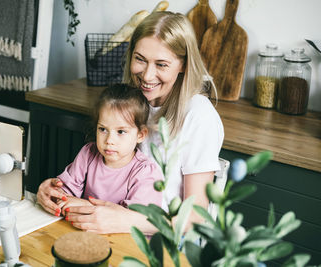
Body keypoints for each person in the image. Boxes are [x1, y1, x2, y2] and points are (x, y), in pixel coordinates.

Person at [37, 11, 224, 234]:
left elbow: (194, 219)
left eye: (162, 64)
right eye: (140, 59)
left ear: (183, 65)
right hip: (103, 229)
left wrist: (126, 221)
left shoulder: (199, 115)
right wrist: (49, 190)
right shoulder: (130, 102)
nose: (147, 76)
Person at [38, 83, 163, 217]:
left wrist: (86, 205)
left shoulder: (145, 172)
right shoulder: (88, 153)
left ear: (140, 135)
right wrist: (58, 195)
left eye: (121, 131)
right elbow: (64, 193)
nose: (109, 140)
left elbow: (133, 219)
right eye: (103, 129)